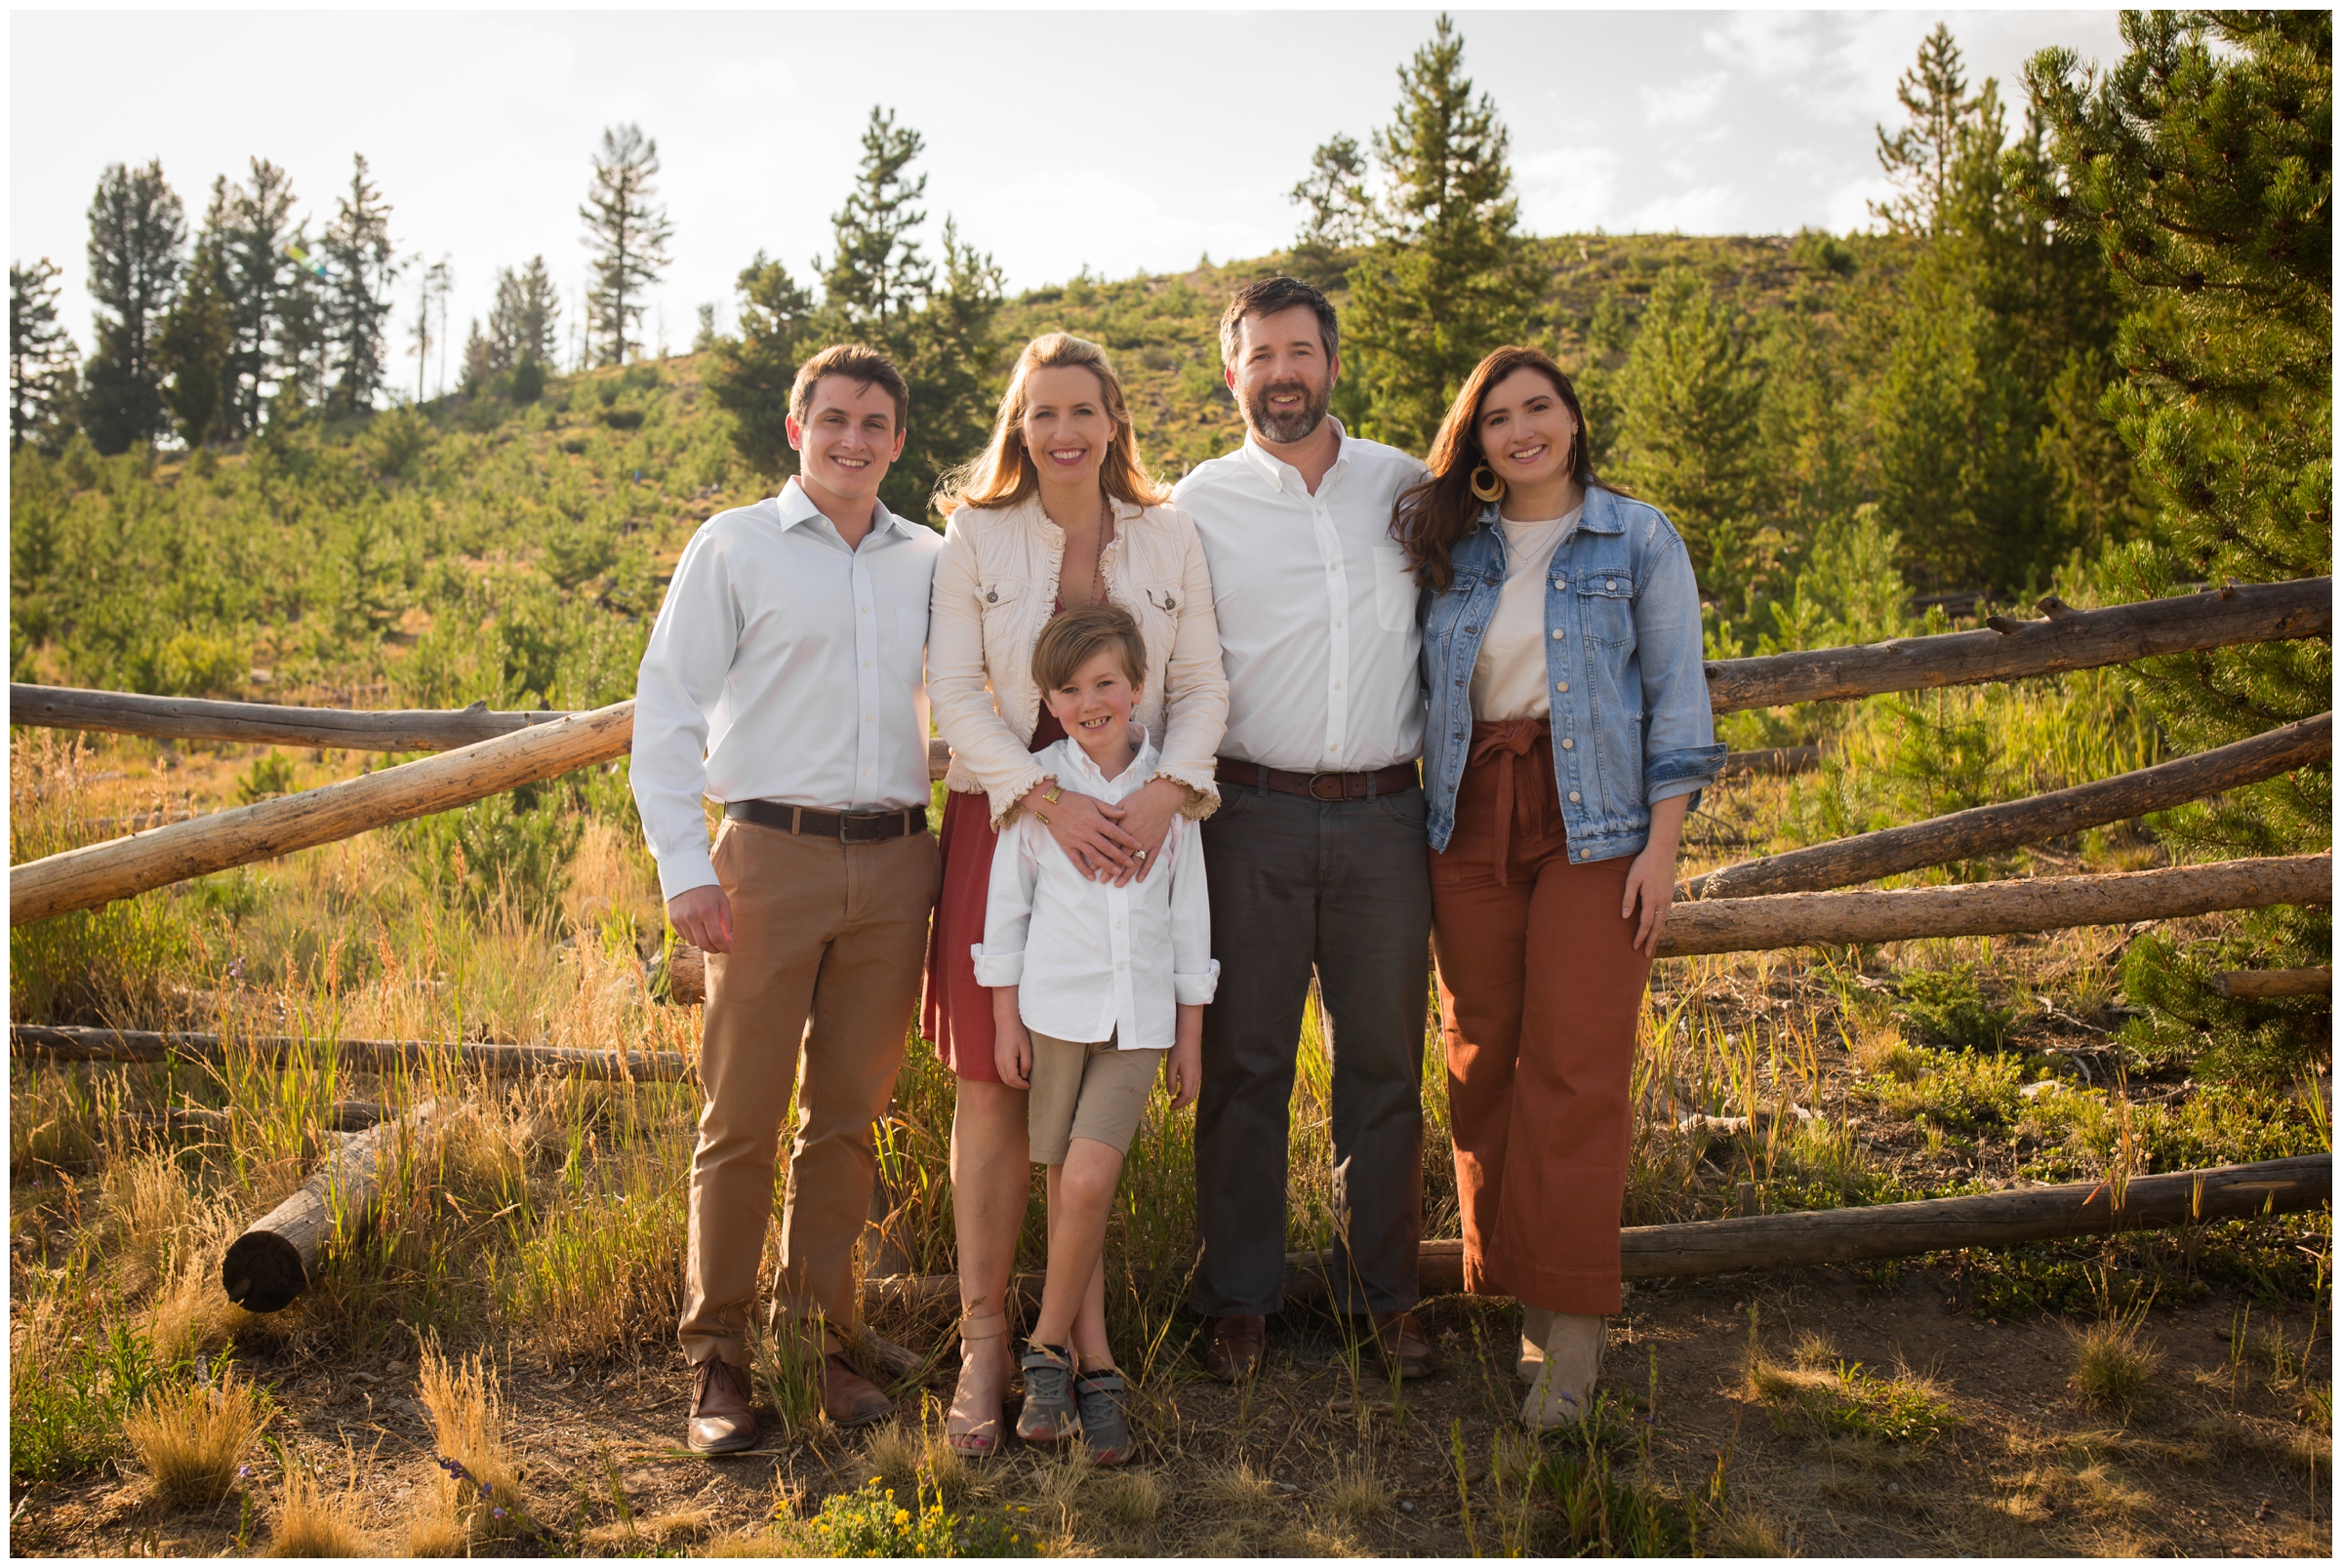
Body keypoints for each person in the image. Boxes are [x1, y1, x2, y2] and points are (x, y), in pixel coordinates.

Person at [1395, 345, 1722, 1428]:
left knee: (1576, 1066)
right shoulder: (1454, 547)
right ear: (1476, 441)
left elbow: (1679, 708)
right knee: (1482, 1061)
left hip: (1597, 826)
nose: (1520, 428)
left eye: (1539, 407)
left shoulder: (1637, 536)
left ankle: (1569, 1333)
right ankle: (1516, 1281)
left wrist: (1661, 849)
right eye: (1497, 416)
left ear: (1574, 421)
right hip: (1468, 819)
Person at [630, 344, 944, 1454]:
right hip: (768, 854)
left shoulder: (931, 561)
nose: (853, 438)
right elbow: (667, 708)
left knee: (849, 1120)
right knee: (742, 1115)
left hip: (901, 861)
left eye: (875, 423)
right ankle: (715, 1355)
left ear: (899, 441)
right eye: (836, 418)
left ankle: (820, 1343)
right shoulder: (735, 547)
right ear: (797, 425)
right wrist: (685, 866)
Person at [925, 333, 1227, 1456]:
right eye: (1041, 411)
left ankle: (1075, 1349)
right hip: (1008, 823)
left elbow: (1197, 684)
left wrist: (1165, 797)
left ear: (1115, 422)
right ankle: (988, 1344)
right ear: (1019, 423)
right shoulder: (977, 534)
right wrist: (1042, 801)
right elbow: (957, 691)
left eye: (1083, 411)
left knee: (1085, 1106)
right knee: (995, 1086)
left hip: (1145, 817)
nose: (1062, 432)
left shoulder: (1169, 534)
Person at [1172, 277, 1437, 1383]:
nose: (1282, 371)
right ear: (1231, 372)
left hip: (1386, 816)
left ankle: (1383, 1297)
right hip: (1251, 817)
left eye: (1301, 349)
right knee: (1245, 1067)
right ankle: (1240, 1298)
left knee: (1384, 1065)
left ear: (1331, 361)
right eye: (1260, 353)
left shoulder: (1406, 486)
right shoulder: (1197, 502)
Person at [973, 604, 1213, 1466]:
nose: (1089, 700)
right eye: (1070, 689)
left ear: (1138, 686)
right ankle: (1096, 1368)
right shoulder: (1037, 790)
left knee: (1089, 1174)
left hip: (1141, 1020)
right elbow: (1007, 918)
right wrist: (1004, 1021)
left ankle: (1041, 1349)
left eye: (1106, 682)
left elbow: (1192, 927)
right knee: (1074, 1191)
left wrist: (1188, 1038)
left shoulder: (1170, 795)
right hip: (1054, 1013)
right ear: (1050, 699)